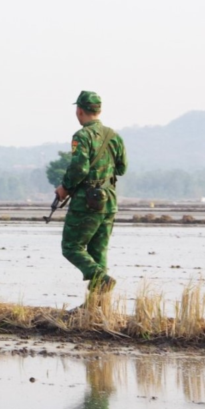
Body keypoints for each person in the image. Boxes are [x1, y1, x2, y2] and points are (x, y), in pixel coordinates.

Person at [55, 91, 127, 296]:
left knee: (71, 247)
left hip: (87, 200)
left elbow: (79, 169)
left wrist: (65, 188)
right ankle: (97, 307)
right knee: (98, 252)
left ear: (79, 111)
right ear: (99, 110)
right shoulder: (114, 136)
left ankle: (100, 278)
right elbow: (122, 168)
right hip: (109, 200)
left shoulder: (82, 136)